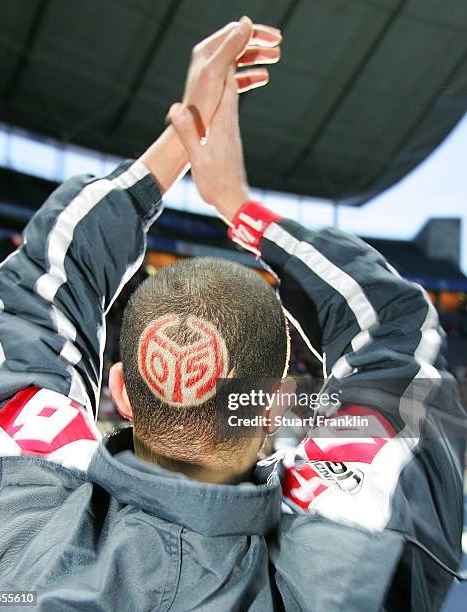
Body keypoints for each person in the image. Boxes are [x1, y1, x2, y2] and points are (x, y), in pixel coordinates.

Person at [0, 18, 288, 611]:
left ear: (118, 388)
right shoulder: (338, 570)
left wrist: (183, 138)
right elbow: (394, 330)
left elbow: (38, 282)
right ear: (272, 401)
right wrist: (241, 207)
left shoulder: (9, 516)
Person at [168, 65, 466, 610]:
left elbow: (29, 315)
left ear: (120, 390)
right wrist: (237, 203)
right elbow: (396, 318)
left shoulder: (47, 540)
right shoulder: (360, 512)